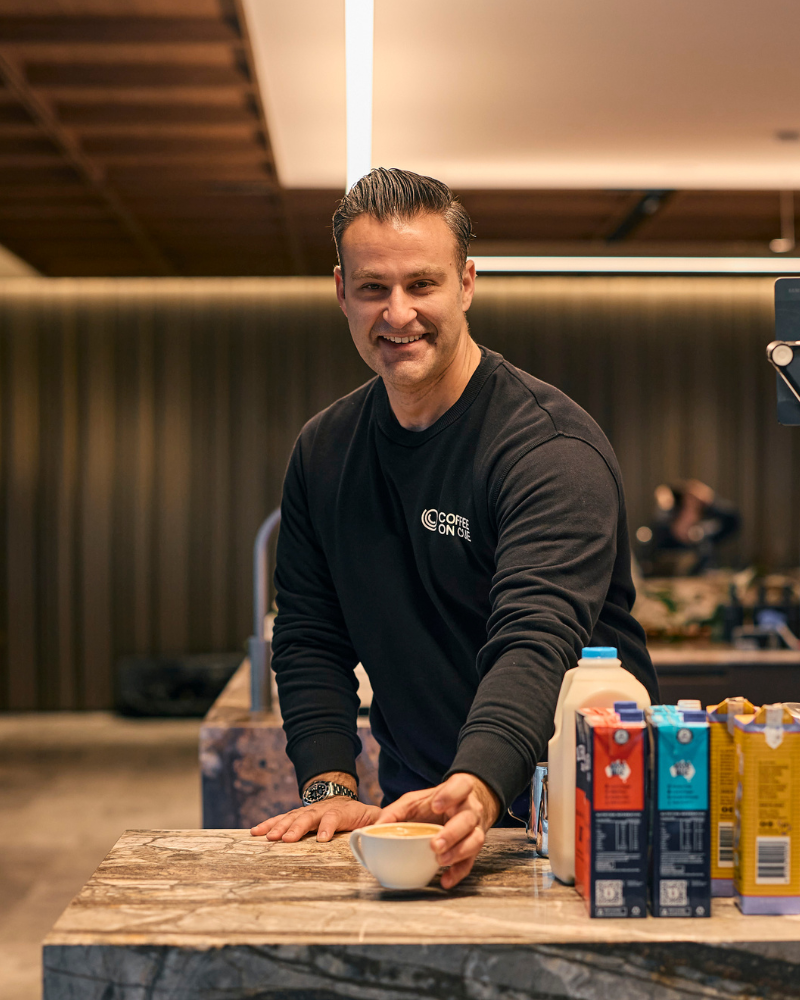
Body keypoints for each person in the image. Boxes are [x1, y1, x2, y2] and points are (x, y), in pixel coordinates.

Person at [250, 168, 658, 888]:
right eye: (374, 287)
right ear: (341, 291)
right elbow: (311, 633)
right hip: (419, 809)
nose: (398, 312)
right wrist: (330, 786)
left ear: (466, 284)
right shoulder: (325, 450)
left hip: (577, 819)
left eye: (422, 284)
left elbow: (535, 639)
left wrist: (477, 782)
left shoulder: (548, 450)